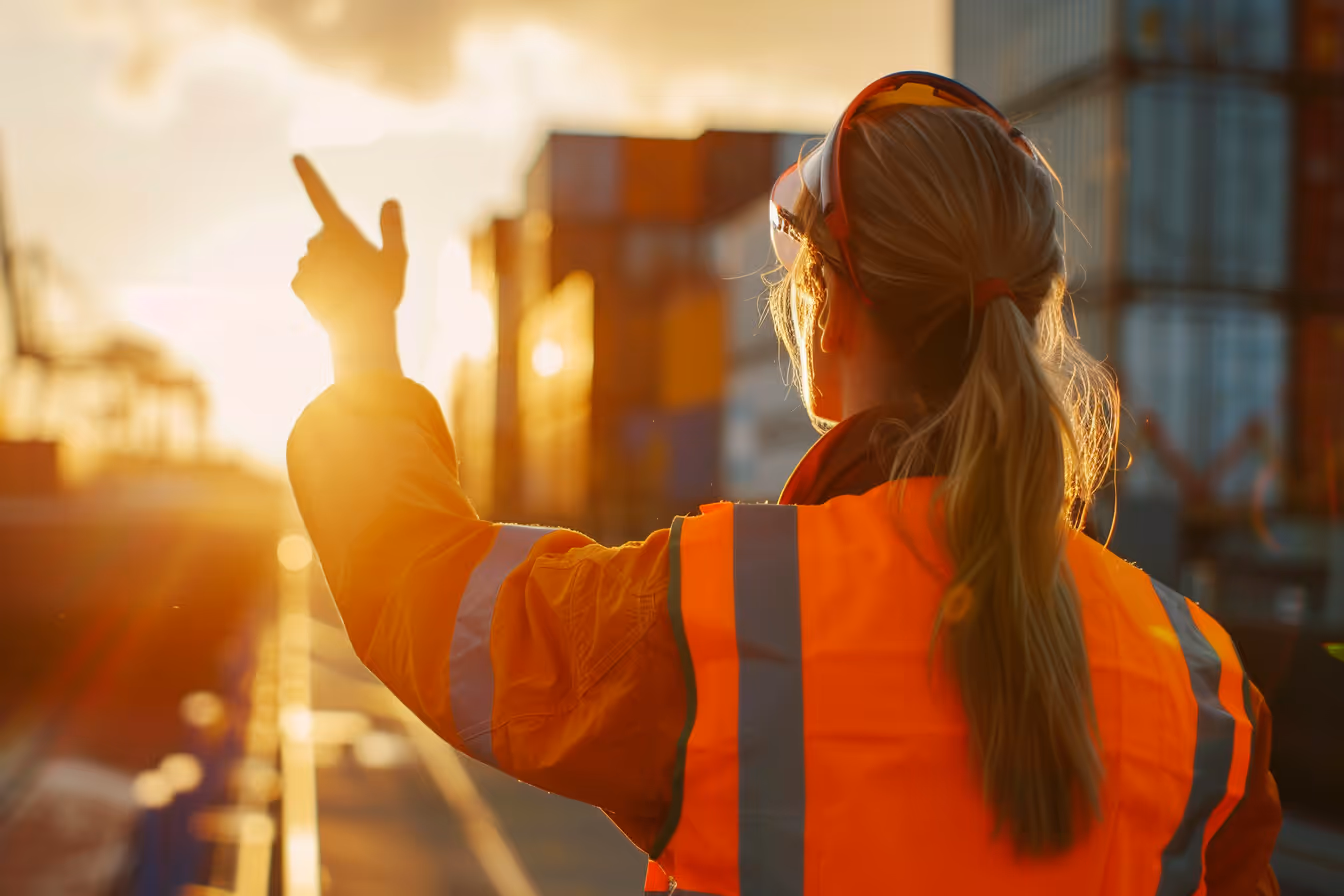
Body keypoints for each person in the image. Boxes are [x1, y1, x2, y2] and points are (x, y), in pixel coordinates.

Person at [286, 71, 1282, 894]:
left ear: (831, 313)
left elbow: (428, 587)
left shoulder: (731, 608)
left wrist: (363, 339)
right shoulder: (1202, 682)